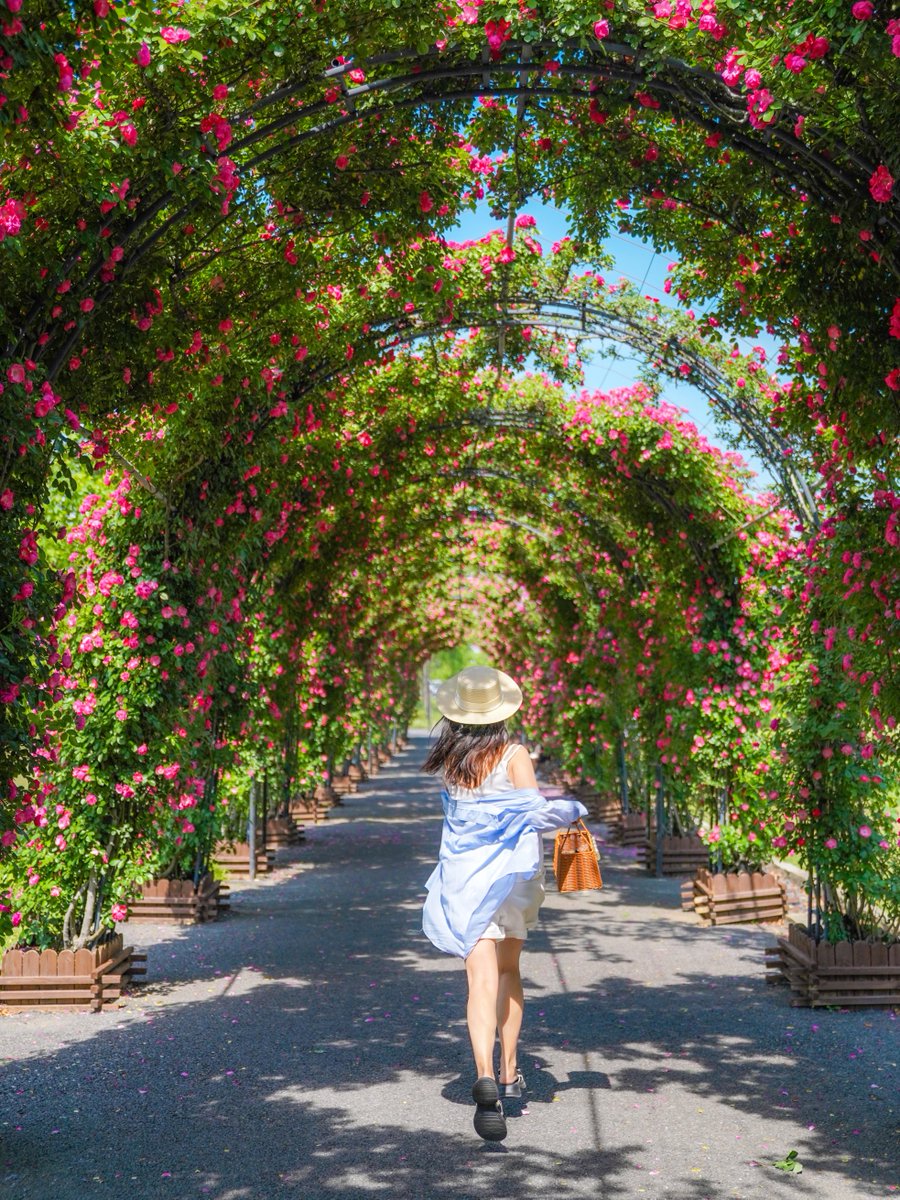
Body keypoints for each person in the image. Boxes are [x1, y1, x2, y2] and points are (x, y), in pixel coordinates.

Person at [421, 665, 587, 1142]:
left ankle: (484, 1074)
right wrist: (573, 810)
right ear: (501, 711)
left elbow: (459, 825)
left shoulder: (452, 762)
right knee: (510, 972)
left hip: (465, 882)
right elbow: (534, 812)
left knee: (479, 982)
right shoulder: (514, 754)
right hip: (511, 880)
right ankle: (511, 1076)